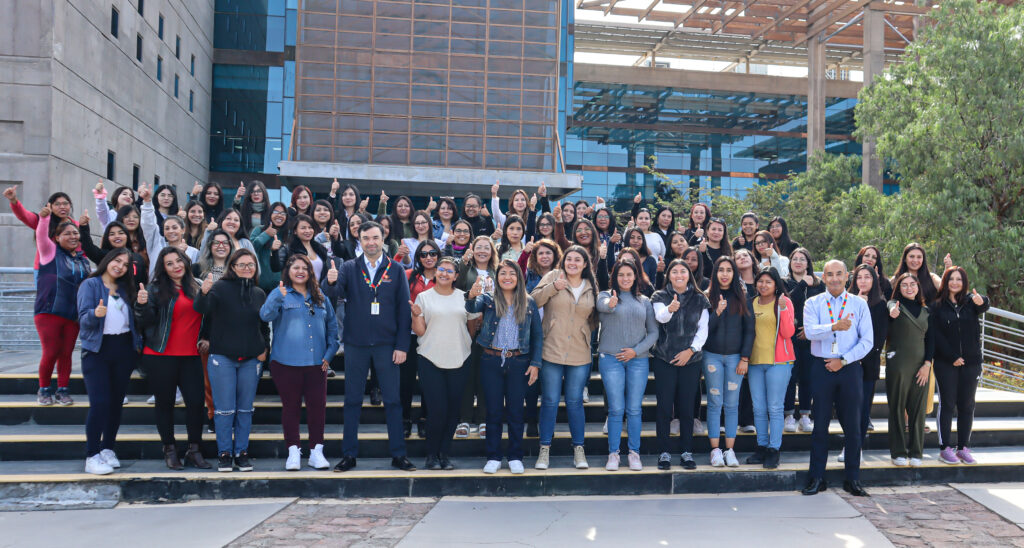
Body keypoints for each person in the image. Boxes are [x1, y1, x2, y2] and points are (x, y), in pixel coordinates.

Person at [321, 221, 416, 472]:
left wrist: (402, 345)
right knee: (352, 400)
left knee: (393, 401)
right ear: (359, 241)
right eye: (366, 238)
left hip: (387, 344)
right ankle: (349, 455)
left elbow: (404, 310)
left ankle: (398, 454)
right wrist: (330, 281)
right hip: (356, 343)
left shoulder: (396, 269)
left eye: (375, 238)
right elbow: (331, 293)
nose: (371, 242)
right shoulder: (349, 267)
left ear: (383, 239)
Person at [260, 254, 338, 470]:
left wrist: (329, 354)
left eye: (305, 268)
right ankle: (293, 451)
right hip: (285, 363)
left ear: (311, 272)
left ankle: (316, 452)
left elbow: (333, 329)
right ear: (288, 271)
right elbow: (265, 316)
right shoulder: (281, 293)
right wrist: (277, 296)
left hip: (317, 364)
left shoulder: (320, 296)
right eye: (296, 267)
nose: (300, 271)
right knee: (291, 408)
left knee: (317, 409)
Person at [802, 260, 873, 497]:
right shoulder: (813, 303)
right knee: (820, 425)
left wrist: (843, 360)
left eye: (839, 274)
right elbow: (810, 331)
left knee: (853, 426)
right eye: (829, 274)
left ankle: (853, 478)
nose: (834, 278)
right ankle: (816, 477)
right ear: (823, 278)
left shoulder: (858, 304)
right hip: (821, 367)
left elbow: (867, 341)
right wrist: (834, 326)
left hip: (849, 367)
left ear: (846, 276)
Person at [194, 249, 269, 472]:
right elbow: (202, 310)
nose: (247, 268)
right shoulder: (219, 288)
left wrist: (265, 348)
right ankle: (225, 453)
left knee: (245, 409)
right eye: (242, 264)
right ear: (233, 267)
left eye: (251, 265)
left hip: (251, 359)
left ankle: (241, 452)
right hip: (222, 357)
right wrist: (203, 293)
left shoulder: (259, 293)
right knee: (224, 410)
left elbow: (264, 325)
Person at [135, 247, 210, 470]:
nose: (176, 266)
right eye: (170, 263)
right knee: (165, 404)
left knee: (196, 404)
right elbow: (145, 322)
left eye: (179, 261)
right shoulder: (155, 289)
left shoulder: (198, 285)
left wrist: (207, 337)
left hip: (191, 356)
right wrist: (141, 305)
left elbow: (209, 317)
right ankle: (169, 449)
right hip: (160, 355)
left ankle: (194, 450)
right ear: (163, 268)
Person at [467, 259, 543, 474]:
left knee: (516, 412)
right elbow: (472, 306)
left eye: (512, 273)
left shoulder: (529, 302)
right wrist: (471, 295)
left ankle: (515, 456)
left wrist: (535, 364)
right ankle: (493, 456)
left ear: (518, 277)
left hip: (519, 362)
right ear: (497, 277)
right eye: (503, 273)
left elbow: (537, 336)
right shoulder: (488, 299)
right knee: (493, 411)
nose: (507, 277)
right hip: (491, 360)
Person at [531, 246, 598, 470]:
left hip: (579, 352)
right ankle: (544, 449)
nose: (573, 263)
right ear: (564, 261)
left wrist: (584, 333)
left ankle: (579, 449)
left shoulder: (590, 285)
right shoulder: (553, 276)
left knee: (575, 401)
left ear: (585, 264)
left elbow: (594, 317)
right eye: (569, 259)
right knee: (549, 400)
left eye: (578, 260)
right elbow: (533, 301)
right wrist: (553, 288)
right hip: (551, 348)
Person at [76, 249, 140, 474]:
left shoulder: (125, 288)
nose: (120, 266)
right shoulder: (90, 285)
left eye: (125, 264)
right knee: (100, 403)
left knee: (115, 403)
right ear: (107, 261)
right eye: (117, 261)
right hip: (97, 350)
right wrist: (95, 314)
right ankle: (92, 455)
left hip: (123, 349)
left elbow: (133, 321)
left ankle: (107, 449)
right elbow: (83, 320)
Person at [596, 260, 658, 471]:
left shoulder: (644, 301)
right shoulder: (604, 295)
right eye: (621, 274)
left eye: (629, 274)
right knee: (616, 409)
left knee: (634, 409)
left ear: (635, 277)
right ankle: (613, 454)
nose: (625, 278)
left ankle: (634, 453)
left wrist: (636, 351)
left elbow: (653, 333)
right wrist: (611, 304)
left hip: (637, 360)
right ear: (614, 276)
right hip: (610, 358)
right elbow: (603, 306)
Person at [412, 257, 472, 470]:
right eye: (441, 269)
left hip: (459, 358)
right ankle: (431, 455)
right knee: (437, 410)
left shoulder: (464, 297)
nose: (444, 273)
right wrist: (415, 316)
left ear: (456, 276)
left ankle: (444, 454)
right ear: (436, 272)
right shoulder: (423, 297)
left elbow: (471, 327)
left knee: (453, 411)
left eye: (449, 271)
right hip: (430, 358)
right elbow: (420, 331)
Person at [651, 259, 710, 470]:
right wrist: (670, 309)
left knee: (686, 408)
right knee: (664, 407)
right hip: (664, 358)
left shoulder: (700, 299)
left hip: (691, 360)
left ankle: (686, 452)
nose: (679, 275)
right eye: (674, 271)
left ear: (689, 275)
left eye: (683, 271)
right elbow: (661, 318)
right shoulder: (659, 296)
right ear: (668, 275)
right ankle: (664, 452)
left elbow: (703, 329)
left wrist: (691, 350)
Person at [34, 206, 91, 406]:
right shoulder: (49, 252)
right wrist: (44, 219)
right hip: (49, 312)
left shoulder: (83, 260)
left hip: (73, 315)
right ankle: (44, 389)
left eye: (75, 233)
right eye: (67, 233)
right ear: (57, 238)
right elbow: (41, 236)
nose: (73, 236)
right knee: (51, 352)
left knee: (66, 353)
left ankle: (62, 390)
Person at [932, 266, 989, 465]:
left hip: (971, 363)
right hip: (946, 363)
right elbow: (936, 336)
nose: (955, 283)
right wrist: (952, 356)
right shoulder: (937, 306)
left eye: (959, 279)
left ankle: (963, 447)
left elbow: (984, 305)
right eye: (951, 279)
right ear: (945, 281)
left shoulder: (971, 302)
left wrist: (983, 301)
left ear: (964, 283)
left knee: (967, 405)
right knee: (947, 404)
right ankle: (944, 448)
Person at [703, 256, 753, 467]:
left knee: (732, 404)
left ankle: (730, 450)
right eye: (721, 270)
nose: (724, 274)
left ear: (734, 273)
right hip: (712, 356)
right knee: (715, 403)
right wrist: (717, 312)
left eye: (729, 270)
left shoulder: (742, 296)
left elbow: (750, 330)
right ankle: (715, 450)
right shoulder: (707, 297)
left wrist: (745, 358)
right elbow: (703, 330)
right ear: (715, 273)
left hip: (735, 358)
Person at [745, 267, 795, 469]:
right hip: (755, 363)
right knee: (758, 408)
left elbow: (788, 332)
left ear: (776, 285)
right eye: (760, 281)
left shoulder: (784, 302)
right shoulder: (751, 303)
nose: (763, 285)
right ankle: (761, 447)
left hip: (779, 362)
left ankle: (774, 449)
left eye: (768, 282)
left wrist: (783, 309)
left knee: (775, 407)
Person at [886, 273, 935, 467]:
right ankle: (898, 452)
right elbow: (890, 308)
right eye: (904, 285)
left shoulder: (926, 311)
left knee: (918, 410)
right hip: (898, 364)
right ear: (899, 288)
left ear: (918, 287)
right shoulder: (894, 305)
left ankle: (916, 452)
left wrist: (927, 365)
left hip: (921, 366)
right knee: (897, 408)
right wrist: (892, 310)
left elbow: (931, 341)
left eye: (912, 284)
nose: (909, 288)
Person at [453, 235, 498, 438]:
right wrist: (463, 263)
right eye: (478, 247)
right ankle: (464, 418)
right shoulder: (465, 269)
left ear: (492, 251)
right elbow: (457, 287)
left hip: (491, 330)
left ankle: (482, 419)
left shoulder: (497, 271)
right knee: (467, 375)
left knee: (486, 377)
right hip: (466, 327)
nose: (482, 251)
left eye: (486, 248)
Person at [848, 264, 889, 462]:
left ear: (874, 280)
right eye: (859, 277)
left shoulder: (880, 305)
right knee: (848, 407)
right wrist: (857, 306)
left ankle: (857, 447)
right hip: (847, 362)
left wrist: (864, 308)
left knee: (863, 407)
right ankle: (848, 444)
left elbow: (878, 339)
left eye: (867, 277)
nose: (863, 281)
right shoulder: (846, 302)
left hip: (868, 363)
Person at [783, 248, 824, 434]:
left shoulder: (818, 285)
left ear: (808, 263)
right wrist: (801, 285)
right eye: (795, 259)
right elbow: (787, 303)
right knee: (790, 377)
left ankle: (805, 415)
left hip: (810, 337)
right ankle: (789, 415)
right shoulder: (784, 282)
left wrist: (810, 330)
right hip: (789, 337)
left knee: (807, 377)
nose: (798, 262)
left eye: (802, 259)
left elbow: (823, 310)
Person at [405, 240, 442, 438]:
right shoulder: (409, 275)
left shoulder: (444, 277)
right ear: (418, 257)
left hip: (434, 336)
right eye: (424, 254)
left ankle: (425, 418)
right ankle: (405, 419)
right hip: (410, 335)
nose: (428, 257)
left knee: (429, 381)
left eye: (433, 253)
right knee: (407, 380)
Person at [140, 183, 198, 276]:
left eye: (175, 227)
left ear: (183, 230)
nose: (171, 231)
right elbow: (148, 225)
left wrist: (182, 255)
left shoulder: (193, 252)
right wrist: (147, 202)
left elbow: (194, 275)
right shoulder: (157, 246)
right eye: (167, 228)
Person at [79, 219, 149, 286]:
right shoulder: (104, 256)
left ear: (127, 236)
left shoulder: (138, 258)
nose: (117, 236)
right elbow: (88, 247)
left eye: (121, 233)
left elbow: (143, 280)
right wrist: (84, 227)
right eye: (112, 234)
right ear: (107, 238)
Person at [271, 215, 330, 283]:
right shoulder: (288, 249)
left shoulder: (319, 248)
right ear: (295, 231)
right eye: (303, 228)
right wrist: (274, 251)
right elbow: (276, 268)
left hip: (317, 288)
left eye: (310, 227)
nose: (307, 231)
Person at [250, 202, 289, 294]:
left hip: (281, 288)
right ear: (270, 214)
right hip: (259, 287)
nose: (279, 215)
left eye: (283, 213)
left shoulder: (287, 234)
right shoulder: (259, 230)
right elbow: (251, 249)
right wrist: (266, 234)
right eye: (276, 212)